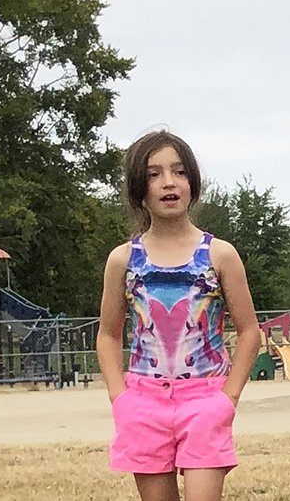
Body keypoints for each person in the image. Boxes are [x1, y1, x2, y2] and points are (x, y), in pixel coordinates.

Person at [98, 129, 264, 501]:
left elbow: (250, 331)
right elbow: (108, 334)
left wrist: (228, 397)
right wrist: (119, 398)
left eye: (179, 172)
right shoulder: (122, 260)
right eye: (154, 174)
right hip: (142, 403)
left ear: (193, 181)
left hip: (205, 400)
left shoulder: (220, 255)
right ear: (139, 187)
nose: (168, 183)